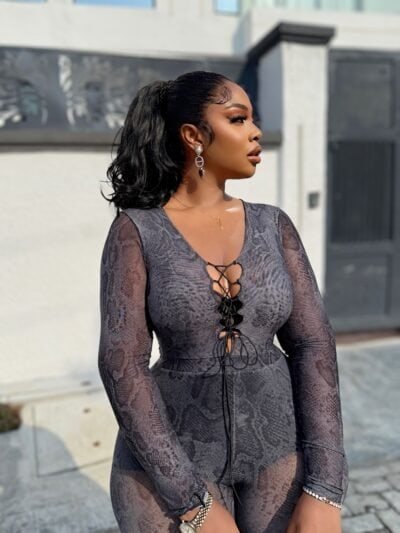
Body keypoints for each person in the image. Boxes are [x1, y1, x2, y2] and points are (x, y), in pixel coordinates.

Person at [97, 71, 348, 532]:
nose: (255, 132)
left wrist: (325, 487)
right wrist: (192, 503)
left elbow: (313, 345)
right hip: (168, 465)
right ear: (193, 136)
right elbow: (122, 363)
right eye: (238, 119)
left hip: (279, 449)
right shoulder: (136, 230)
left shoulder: (274, 225)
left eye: (253, 119)